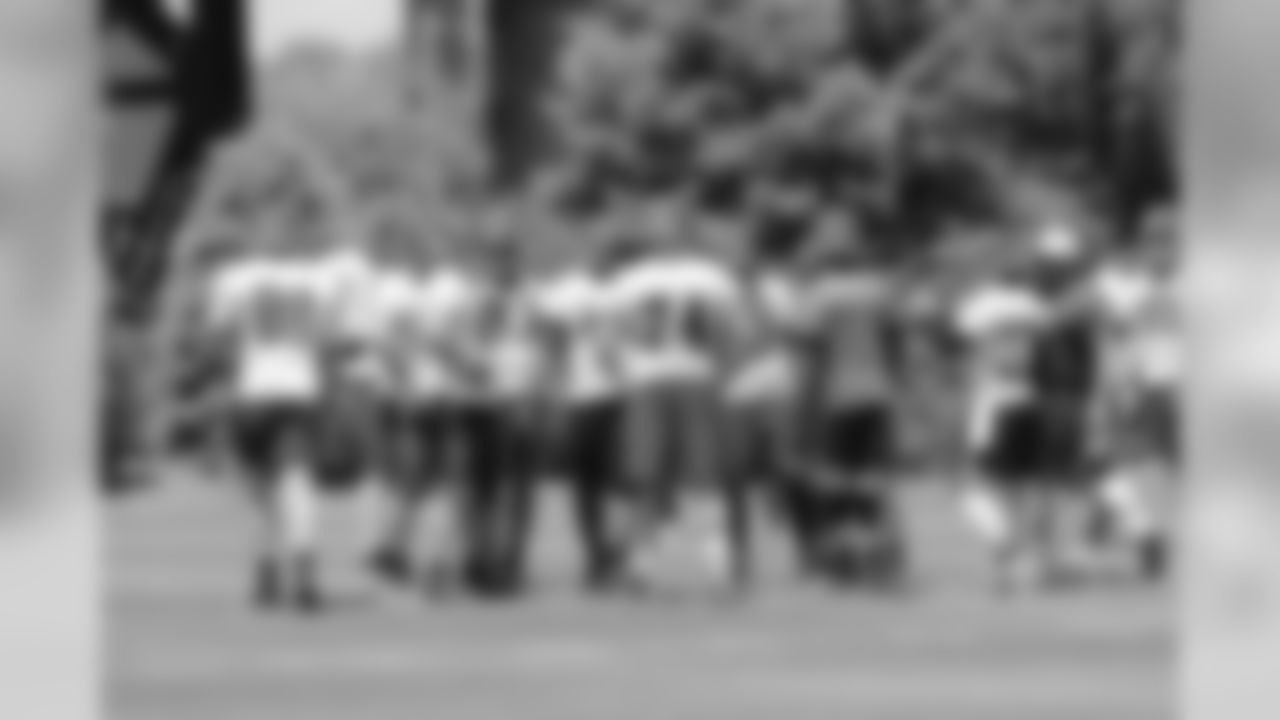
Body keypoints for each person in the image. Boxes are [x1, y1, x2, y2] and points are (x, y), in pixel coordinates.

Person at [610, 206, 747, 595]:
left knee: (693, 478)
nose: (663, 234)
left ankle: (712, 564)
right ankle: (649, 565)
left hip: (677, 380)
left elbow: (732, 332)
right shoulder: (706, 277)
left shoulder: (634, 280)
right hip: (667, 380)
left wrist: (625, 371)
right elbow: (736, 334)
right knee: (654, 478)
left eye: (667, 227)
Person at [202, 243, 332, 612]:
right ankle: (304, 573)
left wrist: (228, 377)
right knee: (297, 482)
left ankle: (265, 573)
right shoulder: (318, 278)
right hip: (298, 392)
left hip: (254, 391)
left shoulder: (235, 278)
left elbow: (216, 338)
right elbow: (330, 338)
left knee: (260, 490)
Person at [787, 218, 908, 589]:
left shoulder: (821, 293)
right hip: (878, 394)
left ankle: (844, 559)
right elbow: (895, 340)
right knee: (871, 477)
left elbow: (803, 341)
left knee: (836, 477)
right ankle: (877, 553)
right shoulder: (880, 290)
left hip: (835, 397)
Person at [533, 237, 635, 592]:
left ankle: (615, 552)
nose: (609, 264)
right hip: (581, 396)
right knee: (587, 484)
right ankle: (596, 555)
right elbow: (549, 340)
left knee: (620, 483)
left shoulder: (626, 292)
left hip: (619, 396)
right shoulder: (569, 291)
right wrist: (553, 391)